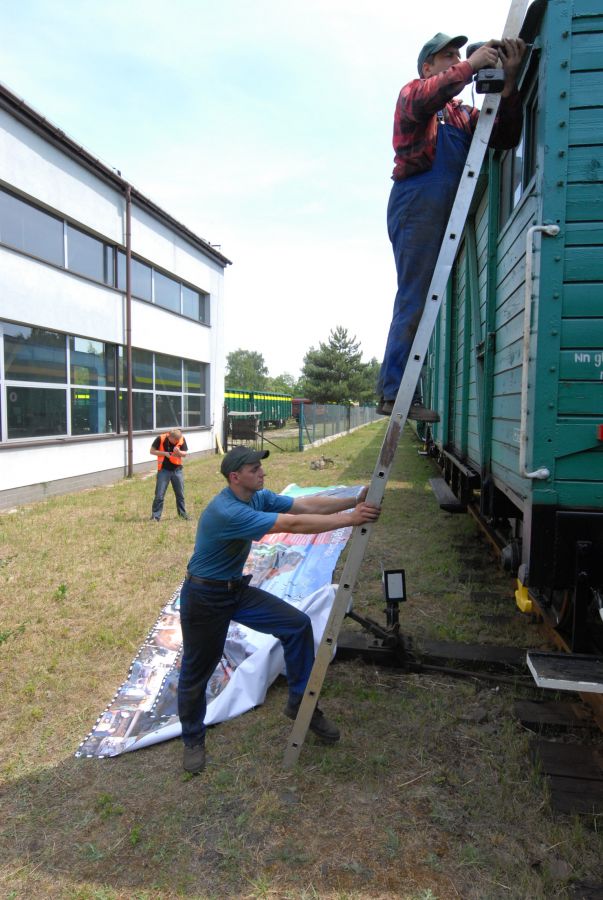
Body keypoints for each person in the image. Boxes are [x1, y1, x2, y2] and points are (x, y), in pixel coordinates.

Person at [177, 445, 381, 774]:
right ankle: (192, 739)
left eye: (261, 467)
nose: (262, 473)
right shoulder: (228, 511)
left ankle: (300, 701)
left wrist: (354, 498)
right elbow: (294, 523)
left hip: (235, 589)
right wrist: (349, 519)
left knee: (297, 625)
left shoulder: (255, 497)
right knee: (196, 671)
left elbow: (303, 503)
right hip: (205, 597)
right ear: (235, 477)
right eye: (255, 469)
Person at [377, 32, 526, 419]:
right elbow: (430, 96)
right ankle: (395, 392)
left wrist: (508, 83)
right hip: (418, 200)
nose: (456, 61)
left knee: (429, 302)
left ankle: (405, 389)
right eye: (448, 56)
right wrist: (473, 65)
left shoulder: (462, 114)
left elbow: (506, 137)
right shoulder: (414, 94)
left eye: (458, 56)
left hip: (447, 205)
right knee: (414, 295)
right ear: (428, 66)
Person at [149, 428, 190, 521]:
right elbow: (151, 451)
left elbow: (185, 453)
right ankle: (155, 516)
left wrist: (179, 452)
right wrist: (165, 454)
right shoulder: (160, 438)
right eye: (174, 440)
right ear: (169, 437)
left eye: (177, 441)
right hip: (164, 470)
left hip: (177, 470)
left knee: (180, 494)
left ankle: (182, 514)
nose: (176, 442)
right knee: (159, 494)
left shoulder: (181, 438)